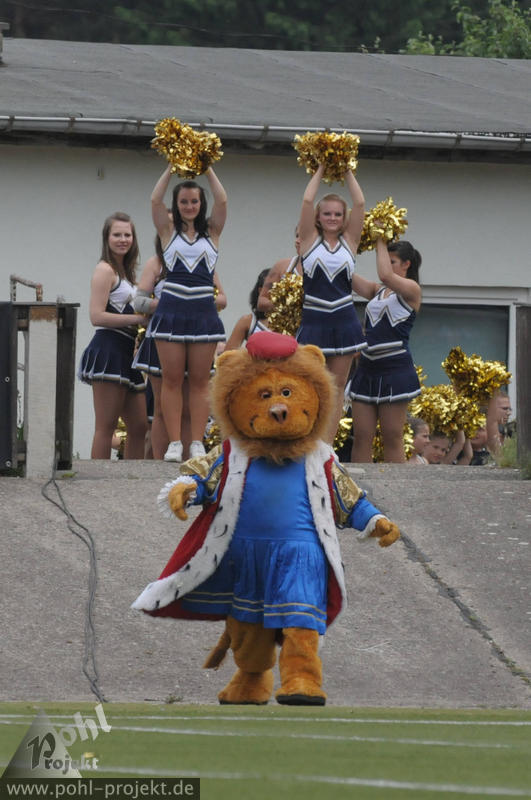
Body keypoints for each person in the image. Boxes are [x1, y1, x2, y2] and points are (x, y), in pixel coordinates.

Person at [144, 164, 227, 462]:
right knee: (172, 379)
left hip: (203, 314)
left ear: (201, 204)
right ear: (176, 205)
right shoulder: (168, 232)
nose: (189, 206)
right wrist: (171, 166)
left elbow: (222, 200)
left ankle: (196, 442)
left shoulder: (212, 232)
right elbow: (155, 200)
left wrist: (207, 166)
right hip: (172, 313)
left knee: (201, 380)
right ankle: (175, 442)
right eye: (184, 202)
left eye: (194, 201)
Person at [133, 230, 227, 460]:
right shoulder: (156, 263)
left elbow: (223, 298)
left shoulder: (203, 259)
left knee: (189, 405)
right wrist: (170, 303)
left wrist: (197, 302)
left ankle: (188, 459)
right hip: (164, 335)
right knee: (160, 408)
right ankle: (160, 462)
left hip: (196, 334)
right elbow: (138, 302)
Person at [297, 164, 366, 442]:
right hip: (314, 320)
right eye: (327, 213)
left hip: (344, 320)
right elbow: (307, 200)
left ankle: (327, 446)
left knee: (336, 388)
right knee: (310, 384)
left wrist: (347, 169)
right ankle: (307, 440)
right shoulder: (308, 240)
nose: (333, 218)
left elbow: (359, 203)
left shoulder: (350, 241)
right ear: (318, 216)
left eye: (338, 214)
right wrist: (322, 167)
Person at [78, 212, 148, 459]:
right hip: (108, 348)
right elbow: (96, 316)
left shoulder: (127, 273)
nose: (122, 240)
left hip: (129, 353)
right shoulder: (104, 270)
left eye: (127, 235)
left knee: (139, 426)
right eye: (117, 235)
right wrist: (138, 320)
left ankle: (132, 476)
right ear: (106, 238)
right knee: (105, 427)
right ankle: (99, 478)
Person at [349, 238, 422, 463]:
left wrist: (379, 240)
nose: (386, 265)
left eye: (392, 261)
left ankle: (397, 484)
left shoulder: (412, 290)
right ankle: (360, 483)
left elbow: (385, 275)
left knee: (392, 436)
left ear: (406, 264)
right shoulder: (378, 291)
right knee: (361, 436)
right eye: (385, 260)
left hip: (394, 368)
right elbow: (347, 276)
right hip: (367, 367)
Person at [224, 269, 270, 351]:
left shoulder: (290, 323)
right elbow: (228, 355)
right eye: (272, 287)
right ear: (261, 290)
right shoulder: (248, 321)